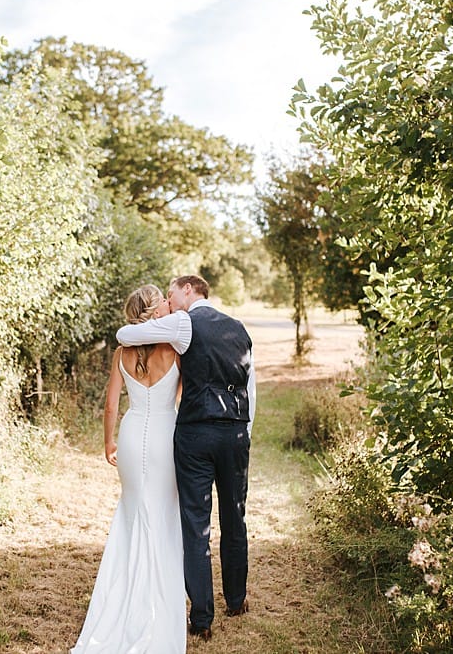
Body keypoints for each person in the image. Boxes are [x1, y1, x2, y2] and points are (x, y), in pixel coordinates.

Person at [116, 274, 255, 642]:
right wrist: (245, 432)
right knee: (234, 515)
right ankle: (237, 599)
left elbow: (127, 336)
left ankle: (202, 617)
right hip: (235, 432)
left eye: (173, 292)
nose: (170, 299)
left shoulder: (183, 321)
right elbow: (248, 387)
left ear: (189, 290)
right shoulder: (239, 328)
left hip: (195, 433)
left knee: (195, 523)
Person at [71, 284, 186, 654]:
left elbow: (110, 404)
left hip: (133, 434)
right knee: (164, 514)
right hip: (167, 436)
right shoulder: (175, 350)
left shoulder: (122, 351)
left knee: (133, 514)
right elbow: (186, 395)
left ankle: (122, 599)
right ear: (156, 310)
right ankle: (158, 600)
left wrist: (108, 443)